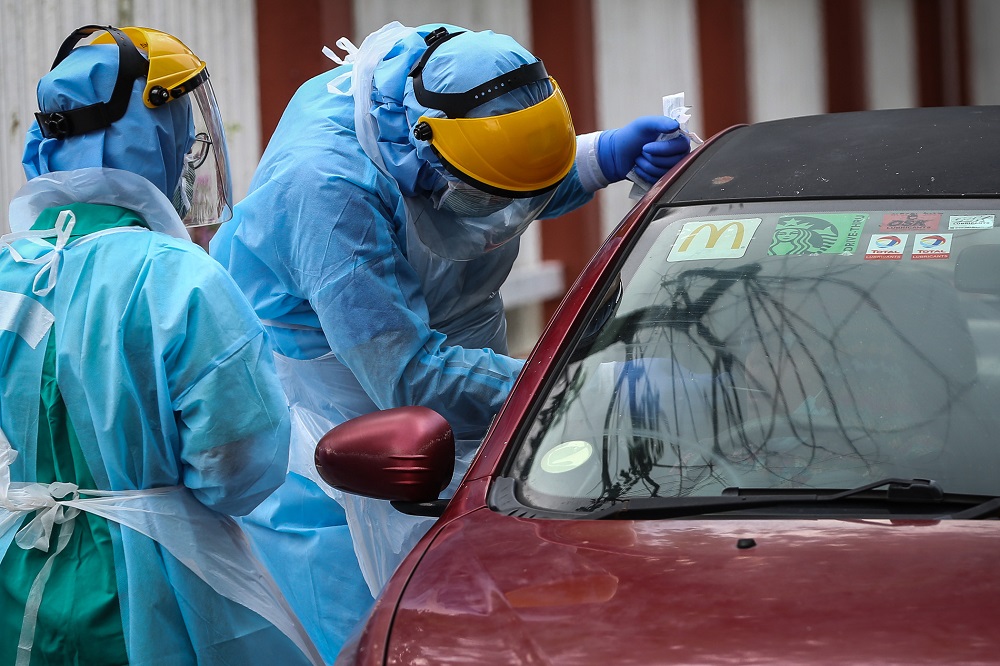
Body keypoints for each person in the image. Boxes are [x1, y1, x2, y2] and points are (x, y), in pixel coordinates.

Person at [210, 21, 691, 661]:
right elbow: (409, 377)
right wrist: (572, 387)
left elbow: (500, 188)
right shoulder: (326, 190)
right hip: (343, 397)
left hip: (457, 354)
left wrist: (599, 158)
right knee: (394, 617)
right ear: (421, 153)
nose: (507, 222)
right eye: (483, 198)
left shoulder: (454, 83)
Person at [0, 25, 321, 665]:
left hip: (19, 577)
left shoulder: (11, 271)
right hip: (154, 586)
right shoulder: (180, 278)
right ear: (151, 141)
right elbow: (239, 468)